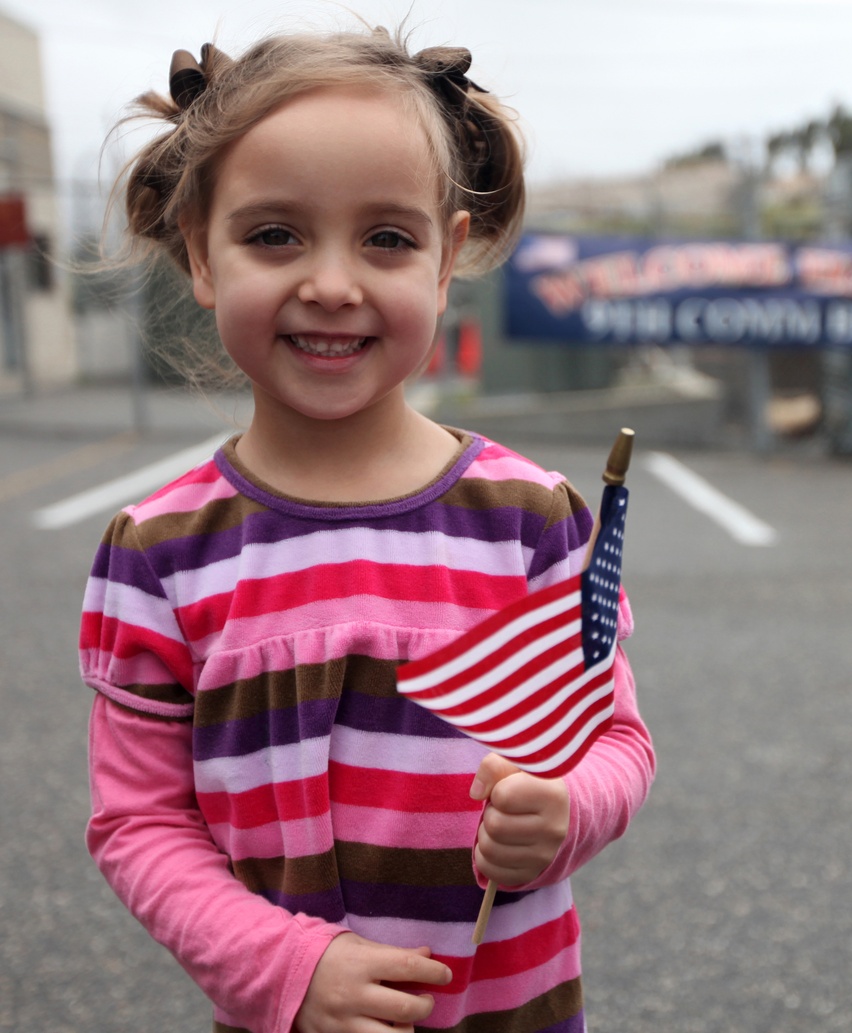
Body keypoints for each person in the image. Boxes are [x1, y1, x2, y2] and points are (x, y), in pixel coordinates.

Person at [80, 23, 655, 1033]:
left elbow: (613, 733)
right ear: (199, 256)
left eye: (386, 238)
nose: (333, 283)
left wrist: (569, 813)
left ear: (447, 259)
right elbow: (139, 820)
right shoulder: (157, 551)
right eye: (273, 235)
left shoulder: (533, 519)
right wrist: (284, 968)